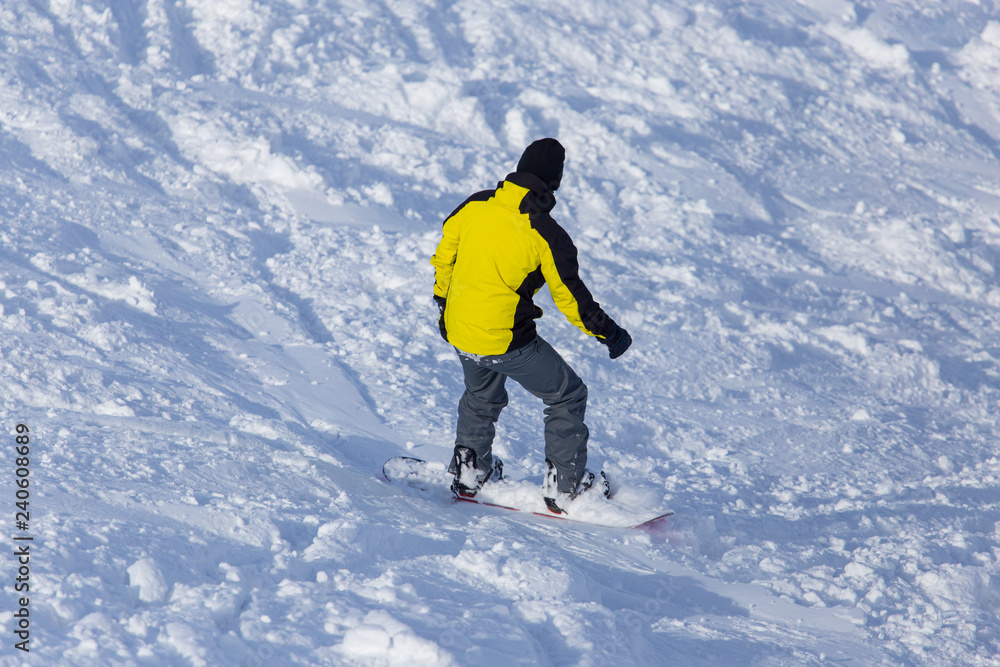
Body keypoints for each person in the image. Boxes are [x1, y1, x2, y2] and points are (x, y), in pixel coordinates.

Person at [430, 138, 632, 513]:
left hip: (459, 328)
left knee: (481, 395)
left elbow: (445, 257)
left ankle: (469, 474)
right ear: (553, 183)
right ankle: (565, 489)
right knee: (567, 394)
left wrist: (443, 304)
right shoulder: (545, 232)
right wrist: (611, 333)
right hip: (505, 340)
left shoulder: (476, 204)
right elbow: (571, 300)